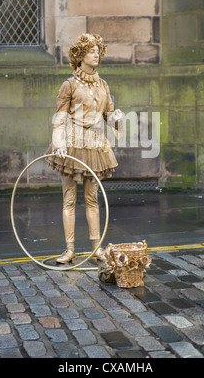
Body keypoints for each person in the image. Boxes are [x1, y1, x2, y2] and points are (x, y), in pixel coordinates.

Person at [46, 34, 122, 264]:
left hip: (95, 144)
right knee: (69, 198)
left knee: (92, 198)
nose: (96, 53)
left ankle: (96, 248)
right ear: (80, 56)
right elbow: (59, 118)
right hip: (72, 144)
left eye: (98, 50)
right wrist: (59, 144)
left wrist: (116, 117)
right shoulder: (69, 85)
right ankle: (69, 250)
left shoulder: (103, 85)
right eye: (91, 50)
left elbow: (109, 116)